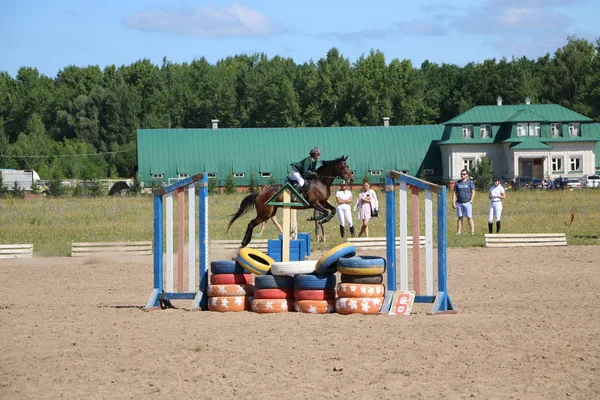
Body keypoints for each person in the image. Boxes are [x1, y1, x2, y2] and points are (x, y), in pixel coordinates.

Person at [452, 169, 475, 235]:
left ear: (467, 175)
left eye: (464, 174)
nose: (462, 175)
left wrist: (471, 200)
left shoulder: (470, 182)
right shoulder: (457, 183)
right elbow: (454, 193)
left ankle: (472, 232)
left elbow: (473, 191)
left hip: (467, 202)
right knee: (460, 217)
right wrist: (453, 202)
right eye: (461, 174)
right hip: (459, 202)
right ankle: (459, 231)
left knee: (469, 217)